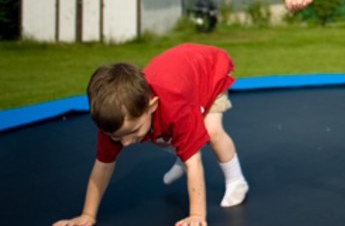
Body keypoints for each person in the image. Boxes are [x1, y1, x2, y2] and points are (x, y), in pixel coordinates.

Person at [53, 44, 249, 226]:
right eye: (117, 137)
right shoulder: (114, 121)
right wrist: (88, 215)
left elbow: (194, 162)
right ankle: (179, 151)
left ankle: (236, 181)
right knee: (157, 133)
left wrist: (197, 215)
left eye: (132, 132)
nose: (126, 142)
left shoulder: (175, 107)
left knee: (210, 132)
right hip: (181, 77)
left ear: (152, 106)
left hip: (208, 69)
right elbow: (102, 167)